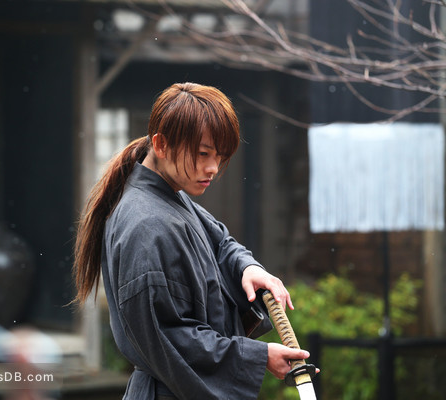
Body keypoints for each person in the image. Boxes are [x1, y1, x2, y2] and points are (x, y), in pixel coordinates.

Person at [73, 82, 310, 399]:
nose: (212, 168)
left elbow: (221, 241)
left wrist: (247, 267)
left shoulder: (171, 198)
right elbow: (168, 337)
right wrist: (257, 356)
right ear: (161, 144)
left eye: (219, 156)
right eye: (202, 154)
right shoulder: (145, 223)